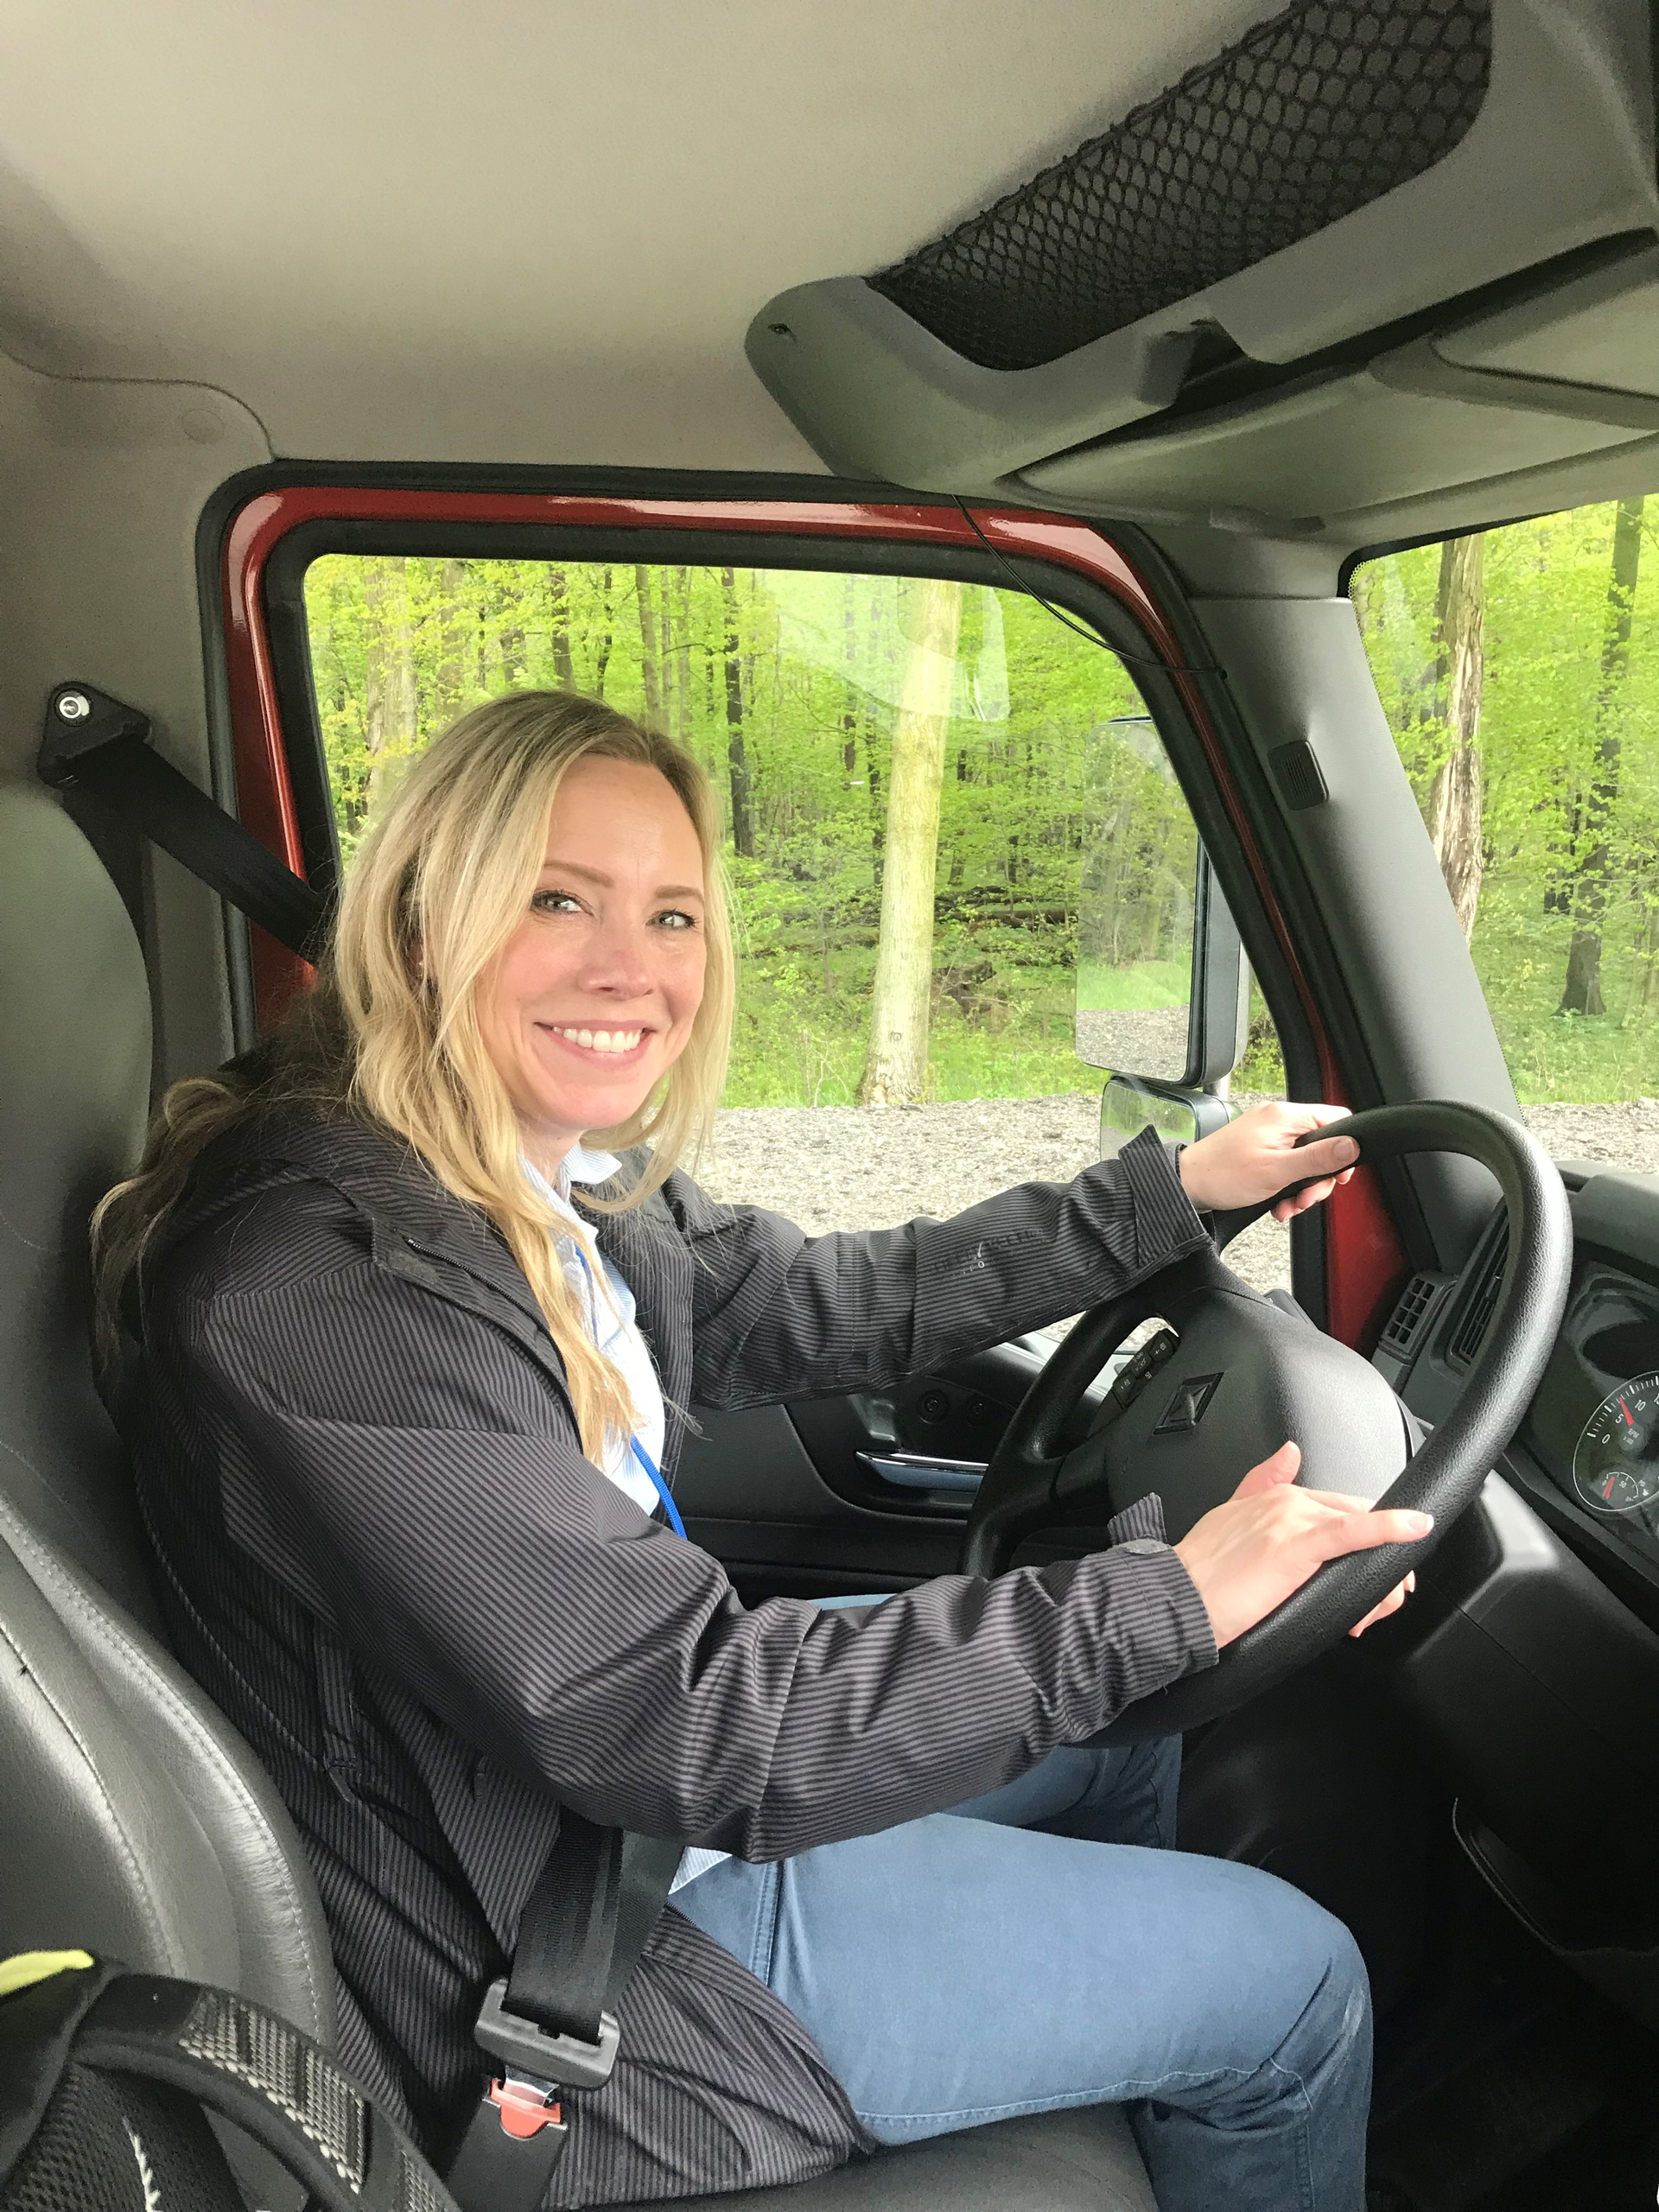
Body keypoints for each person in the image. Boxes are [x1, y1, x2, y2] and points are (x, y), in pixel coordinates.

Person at [98, 690, 1427, 2212]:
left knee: (1135, 1738)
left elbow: (810, 1302)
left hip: (604, 1817)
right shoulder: (334, 1292)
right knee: (1296, 1984)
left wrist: (1172, 1199)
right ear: (417, 926)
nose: (631, 968)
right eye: (556, 900)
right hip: (568, 1964)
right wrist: (1169, 1598)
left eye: (671, 914)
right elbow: (694, 1726)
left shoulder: (519, 1171)